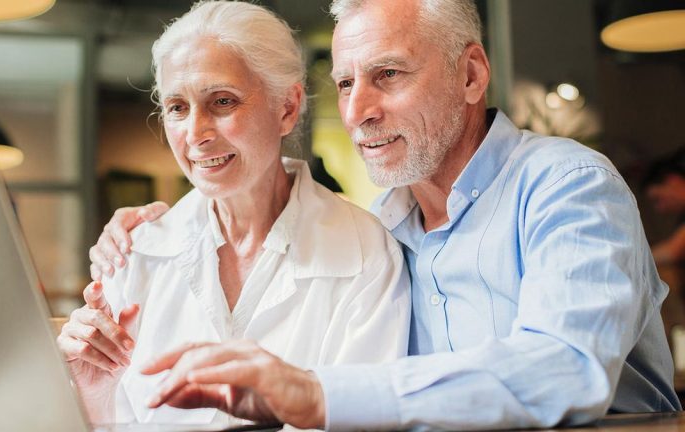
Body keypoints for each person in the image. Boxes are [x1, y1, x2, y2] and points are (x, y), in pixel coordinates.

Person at [91, 0, 681, 429]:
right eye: (345, 83)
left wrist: (316, 394)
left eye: (387, 75)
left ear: (471, 74)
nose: (358, 112)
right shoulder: (383, 226)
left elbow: (567, 367)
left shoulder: (567, 186)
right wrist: (159, 227)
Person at [58, 1, 410, 425]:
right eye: (177, 107)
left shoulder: (366, 252)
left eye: (222, 101)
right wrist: (92, 394)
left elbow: (362, 421)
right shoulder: (134, 254)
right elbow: (111, 423)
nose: (195, 135)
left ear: (287, 107)